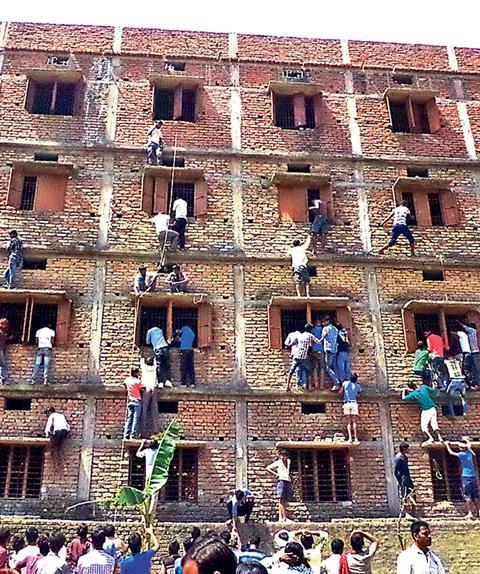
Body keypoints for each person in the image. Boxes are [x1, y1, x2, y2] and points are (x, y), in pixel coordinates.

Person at [445, 438, 479, 519]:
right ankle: (479, 512)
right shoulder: (470, 453)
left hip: (466, 477)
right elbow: (469, 445)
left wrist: (447, 444)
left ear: (461, 448)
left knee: (467, 496)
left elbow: (451, 452)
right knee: (474, 496)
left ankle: (470, 513)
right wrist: (466, 440)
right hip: (473, 476)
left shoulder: (462, 454)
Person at [402, 379, 443, 447]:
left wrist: (404, 390)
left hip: (426, 410)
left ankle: (431, 438)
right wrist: (433, 385)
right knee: (434, 424)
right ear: (416, 384)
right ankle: (440, 438)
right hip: (433, 408)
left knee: (423, 427)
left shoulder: (414, 394)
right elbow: (433, 390)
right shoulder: (423, 387)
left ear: (411, 388)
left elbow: (403, 398)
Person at [286, 325, 321, 391]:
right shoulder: (310, 335)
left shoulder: (300, 335)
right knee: (311, 369)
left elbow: (292, 343)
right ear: (310, 329)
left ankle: (287, 386)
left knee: (291, 371)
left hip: (297, 356)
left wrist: (289, 345)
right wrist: (324, 337)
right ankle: (310, 387)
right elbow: (318, 342)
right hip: (303, 357)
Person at [266, 451, 292, 523]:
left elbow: (287, 471)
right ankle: (284, 518)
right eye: (282, 456)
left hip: (287, 480)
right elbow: (268, 468)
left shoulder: (289, 461)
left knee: (284, 500)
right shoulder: (278, 462)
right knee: (281, 499)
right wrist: (276, 474)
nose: (283, 457)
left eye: (285, 456)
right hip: (281, 481)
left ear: (287, 457)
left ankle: (281, 518)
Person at [394, 442, 417, 520]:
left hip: (408, 477)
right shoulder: (398, 458)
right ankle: (407, 514)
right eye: (407, 448)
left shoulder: (405, 457)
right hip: (403, 479)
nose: (408, 450)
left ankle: (413, 513)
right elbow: (396, 471)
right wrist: (400, 481)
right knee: (405, 496)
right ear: (404, 448)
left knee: (412, 493)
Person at [140, 357, 160, 437]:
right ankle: (156, 430)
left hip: (146, 389)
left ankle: (142, 431)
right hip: (154, 388)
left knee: (144, 409)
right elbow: (155, 361)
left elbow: (141, 360)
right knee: (155, 409)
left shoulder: (144, 368)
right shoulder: (154, 368)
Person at [320, 317, 340, 390]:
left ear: (327, 321)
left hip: (328, 349)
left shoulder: (326, 328)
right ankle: (339, 382)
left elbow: (323, 337)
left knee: (327, 368)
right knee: (334, 367)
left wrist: (318, 341)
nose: (322, 323)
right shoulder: (335, 329)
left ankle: (336, 383)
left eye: (323, 322)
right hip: (334, 349)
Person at [341, 373, 362, 444]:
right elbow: (359, 393)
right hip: (354, 403)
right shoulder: (358, 386)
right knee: (354, 422)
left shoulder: (345, 383)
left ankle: (350, 439)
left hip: (347, 403)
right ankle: (356, 439)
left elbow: (340, 391)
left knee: (348, 422)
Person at [123, 368, 143, 440]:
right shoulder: (138, 381)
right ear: (135, 373)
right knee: (135, 419)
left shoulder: (127, 380)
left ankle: (126, 434)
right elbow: (142, 389)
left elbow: (124, 384)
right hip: (137, 401)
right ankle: (133, 435)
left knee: (129, 419)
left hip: (130, 401)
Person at [460, 320, 480, 387]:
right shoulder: (474, 333)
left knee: (477, 369)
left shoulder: (472, 330)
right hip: (474, 352)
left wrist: (458, 322)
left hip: (475, 352)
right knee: (474, 369)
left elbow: (464, 326)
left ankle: (478, 384)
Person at [310, 319, 325, 390]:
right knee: (322, 367)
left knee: (315, 367)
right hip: (321, 350)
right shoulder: (323, 329)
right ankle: (321, 385)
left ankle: (316, 384)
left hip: (314, 350)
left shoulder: (312, 330)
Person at [0, 318, 11, 384]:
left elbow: (4, 338)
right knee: (3, 365)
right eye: (5, 324)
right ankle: (2, 379)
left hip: (1, 350)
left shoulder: (3, 333)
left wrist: (8, 338)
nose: (6, 326)